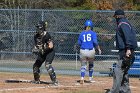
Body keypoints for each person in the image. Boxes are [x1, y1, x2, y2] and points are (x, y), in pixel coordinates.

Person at [105, 9, 137, 93]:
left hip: (126, 51)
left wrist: (128, 49)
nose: (115, 18)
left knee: (117, 71)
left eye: (115, 17)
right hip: (127, 50)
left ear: (118, 16)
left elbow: (127, 36)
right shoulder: (126, 23)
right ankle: (125, 90)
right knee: (124, 72)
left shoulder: (122, 24)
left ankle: (114, 91)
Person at [32, 21, 58, 85]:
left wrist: (45, 50)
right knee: (35, 66)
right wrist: (35, 49)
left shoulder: (46, 35)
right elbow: (37, 46)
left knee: (47, 65)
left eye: (39, 28)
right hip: (42, 52)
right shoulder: (35, 36)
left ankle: (54, 81)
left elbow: (51, 46)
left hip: (49, 52)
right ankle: (37, 80)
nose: (37, 29)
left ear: (42, 28)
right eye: (37, 28)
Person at [77, 20, 101, 84]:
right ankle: (90, 78)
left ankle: (82, 78)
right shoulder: (93, 33)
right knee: (91, 64)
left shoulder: (81, 33)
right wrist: (98, 49)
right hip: (91, 51)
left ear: (85, 26)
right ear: (91, 26)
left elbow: (79, 43)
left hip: (83, 50)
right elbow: (95, 42)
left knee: (83, 65)